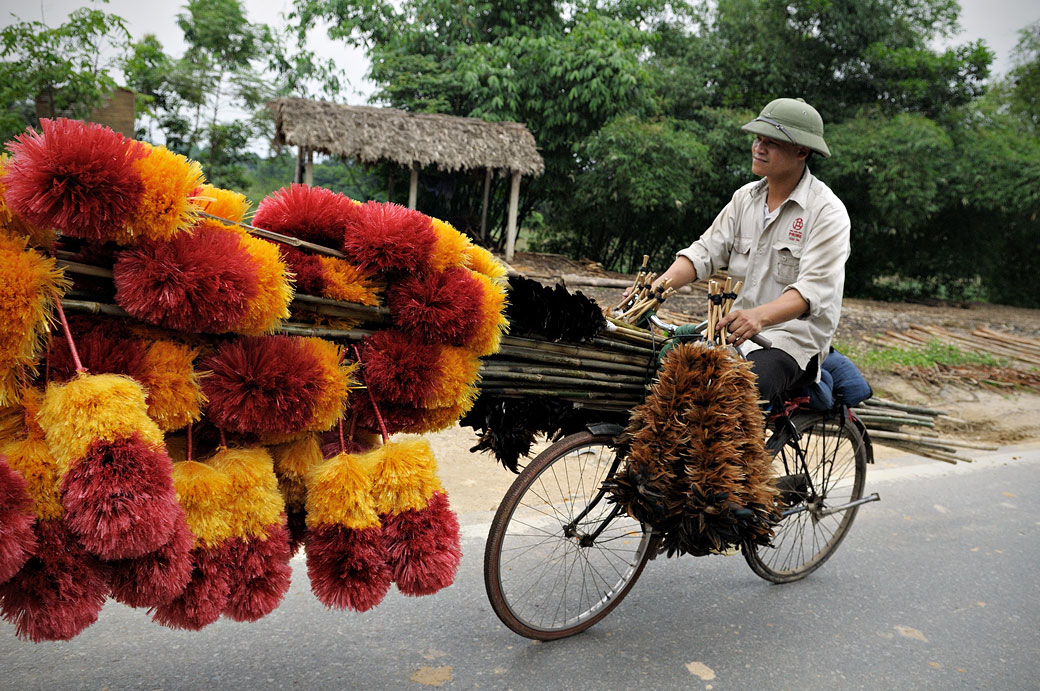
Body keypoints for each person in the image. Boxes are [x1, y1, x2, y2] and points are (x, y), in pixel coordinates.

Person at [652, 97, 851, 404]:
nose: (759, 147)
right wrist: (655, 289)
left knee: (734, 395)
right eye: (758, 139)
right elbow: (705, 252)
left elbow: (814, 289)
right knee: (661, 373)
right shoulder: (745, 198)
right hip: (730, 333)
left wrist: (758, 317)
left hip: (790, 340)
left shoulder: (826, 212)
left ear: (801, 151)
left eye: (772, 142)